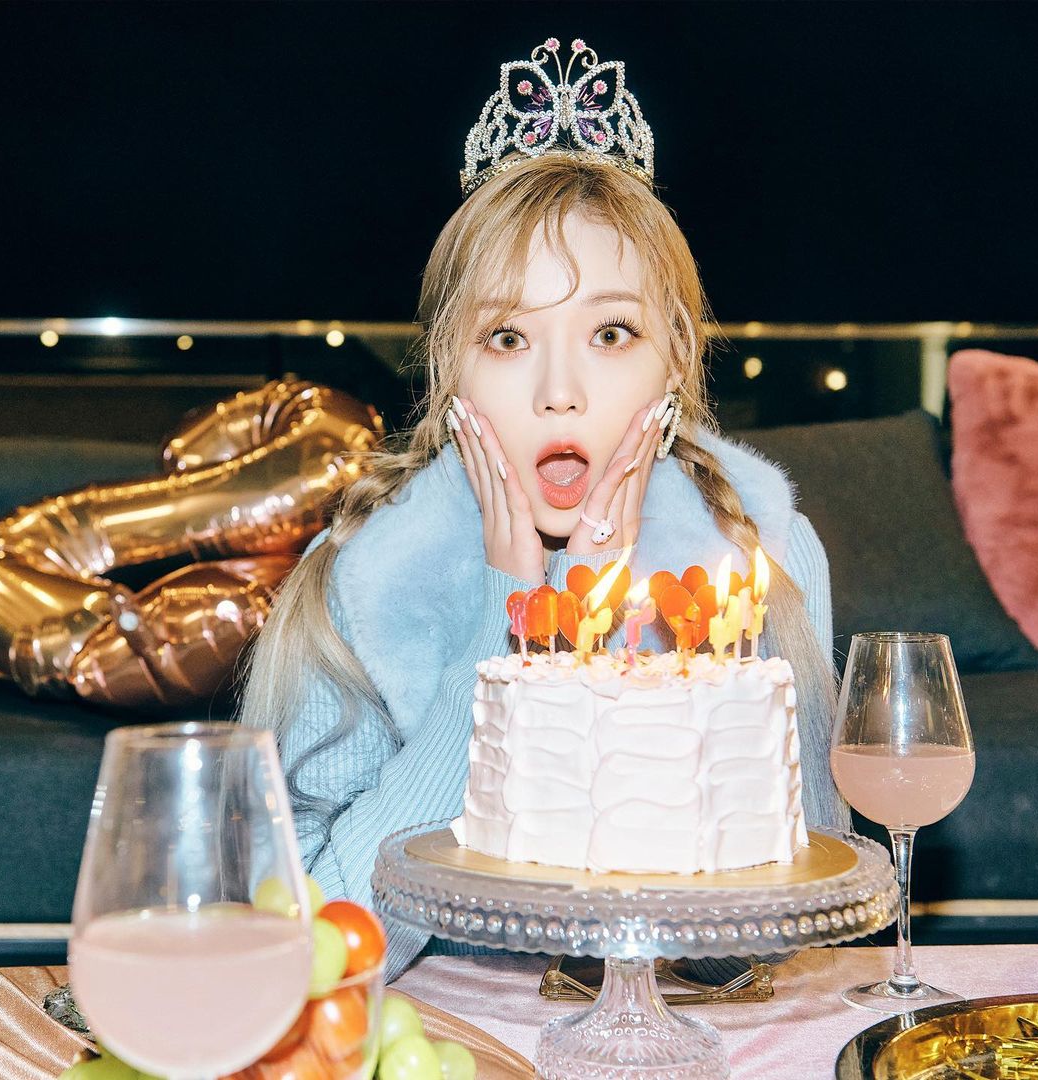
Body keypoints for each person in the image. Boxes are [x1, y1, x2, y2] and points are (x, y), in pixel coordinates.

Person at [241, 37, 850, 984]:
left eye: (611, 332)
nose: (559, 391)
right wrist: (510, 632)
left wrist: (589, 623)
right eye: (508, 337)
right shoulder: (361, 578)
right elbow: (310, 951)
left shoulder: (763, 555)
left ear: (675, 358)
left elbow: (770, 938)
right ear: (449, 369)